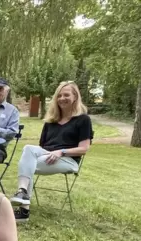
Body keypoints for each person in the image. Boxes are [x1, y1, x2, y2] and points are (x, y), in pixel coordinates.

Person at [9, 81, 92, 223]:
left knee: (29, 164)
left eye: (66, 95)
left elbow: (84, 149)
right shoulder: (51, 120)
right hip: (47, 155)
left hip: (69, 160)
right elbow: (42, 146)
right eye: (59, 95)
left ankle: (23, 209)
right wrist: (48, 153)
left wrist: (61, 152)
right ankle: (22, 193)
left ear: (75, 97)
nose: (62, 98)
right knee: (28, 149)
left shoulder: (83, 119)